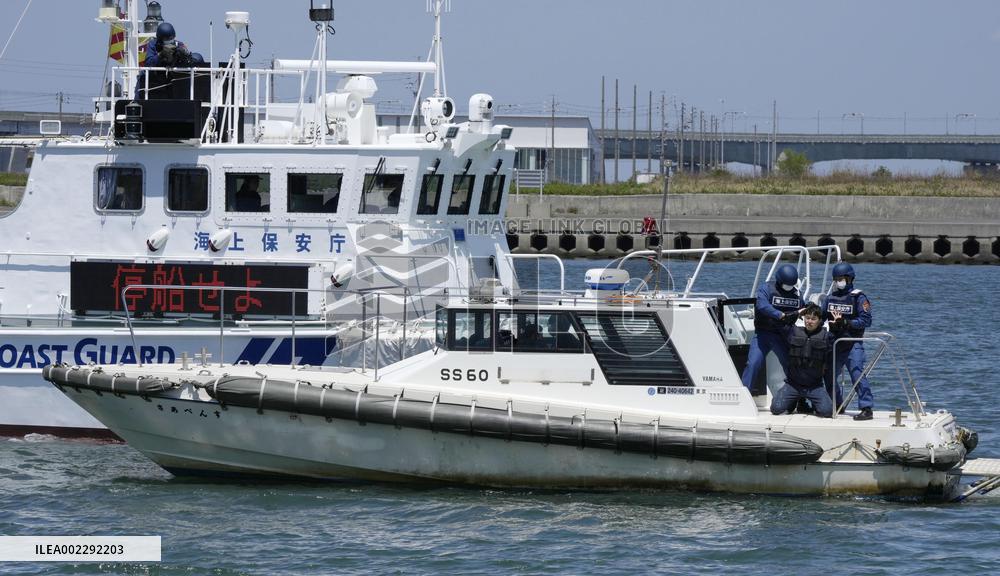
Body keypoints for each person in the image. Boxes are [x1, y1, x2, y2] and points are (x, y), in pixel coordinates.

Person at [821, 262, 874, 421]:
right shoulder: (830, 298)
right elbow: (821, 316)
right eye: (836, 279)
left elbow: (866, 320)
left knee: (857, 372)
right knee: (828, 374)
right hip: (835, 341)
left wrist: (847, 323)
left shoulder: (858, 297)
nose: (839, 281)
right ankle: (837, 404)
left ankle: (866, 407)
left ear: (850, 278)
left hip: (853, 341)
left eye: (842, 278)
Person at [741, 264, 804, 392]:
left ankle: (799, 399)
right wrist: (780, 315)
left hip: (783, 336)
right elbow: (762, 305)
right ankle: (744, 395)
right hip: (763, 334)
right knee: (753, 364)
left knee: (791, 366)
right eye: (787, 285)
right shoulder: (766, 288)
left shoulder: (797, 294)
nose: (789, 288)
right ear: (780, 281)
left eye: (791, 285)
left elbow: (803, 309)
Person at [770, 304, 835, 417]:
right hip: (793, 385)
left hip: (815, 386)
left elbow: (837, 340)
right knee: (776, 409)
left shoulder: (826, 336)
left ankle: (813, 403)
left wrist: (838, 326)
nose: (809, 321)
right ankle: (793, 401)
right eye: (807, 318)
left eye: (813, 319)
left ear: (820, 320)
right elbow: (780, 323)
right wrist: (796, 313)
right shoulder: (794, 332)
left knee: (827, 412)